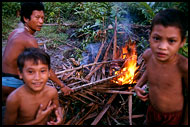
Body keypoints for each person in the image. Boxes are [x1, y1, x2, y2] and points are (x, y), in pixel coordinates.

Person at [2, 2, 73, 103]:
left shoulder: (15, 32)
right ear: (26, 18)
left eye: (42, 18)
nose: (41, 22)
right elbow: (44, 67)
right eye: (37, 17)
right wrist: (62, 85)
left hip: (4, 81)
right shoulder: (29, 40)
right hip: (12, 86)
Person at [134, 8, 188, 125]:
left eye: (171, 41)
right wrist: (138, 85)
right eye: (157, 38)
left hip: (173, 116)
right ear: (150, 36)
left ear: (182, 41)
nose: (162, 46)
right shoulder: (148, 55)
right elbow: (149, 70)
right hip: (152, 110)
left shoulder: (183, 66)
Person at [4, 48, 63, 125]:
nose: (37, 78)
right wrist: (36, 121)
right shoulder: (15, 99)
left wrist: (60, 117)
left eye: (42, 71)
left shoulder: (52, 92)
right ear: (20, 73)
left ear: (49, 72)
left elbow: (57, 107)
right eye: (30, 72)